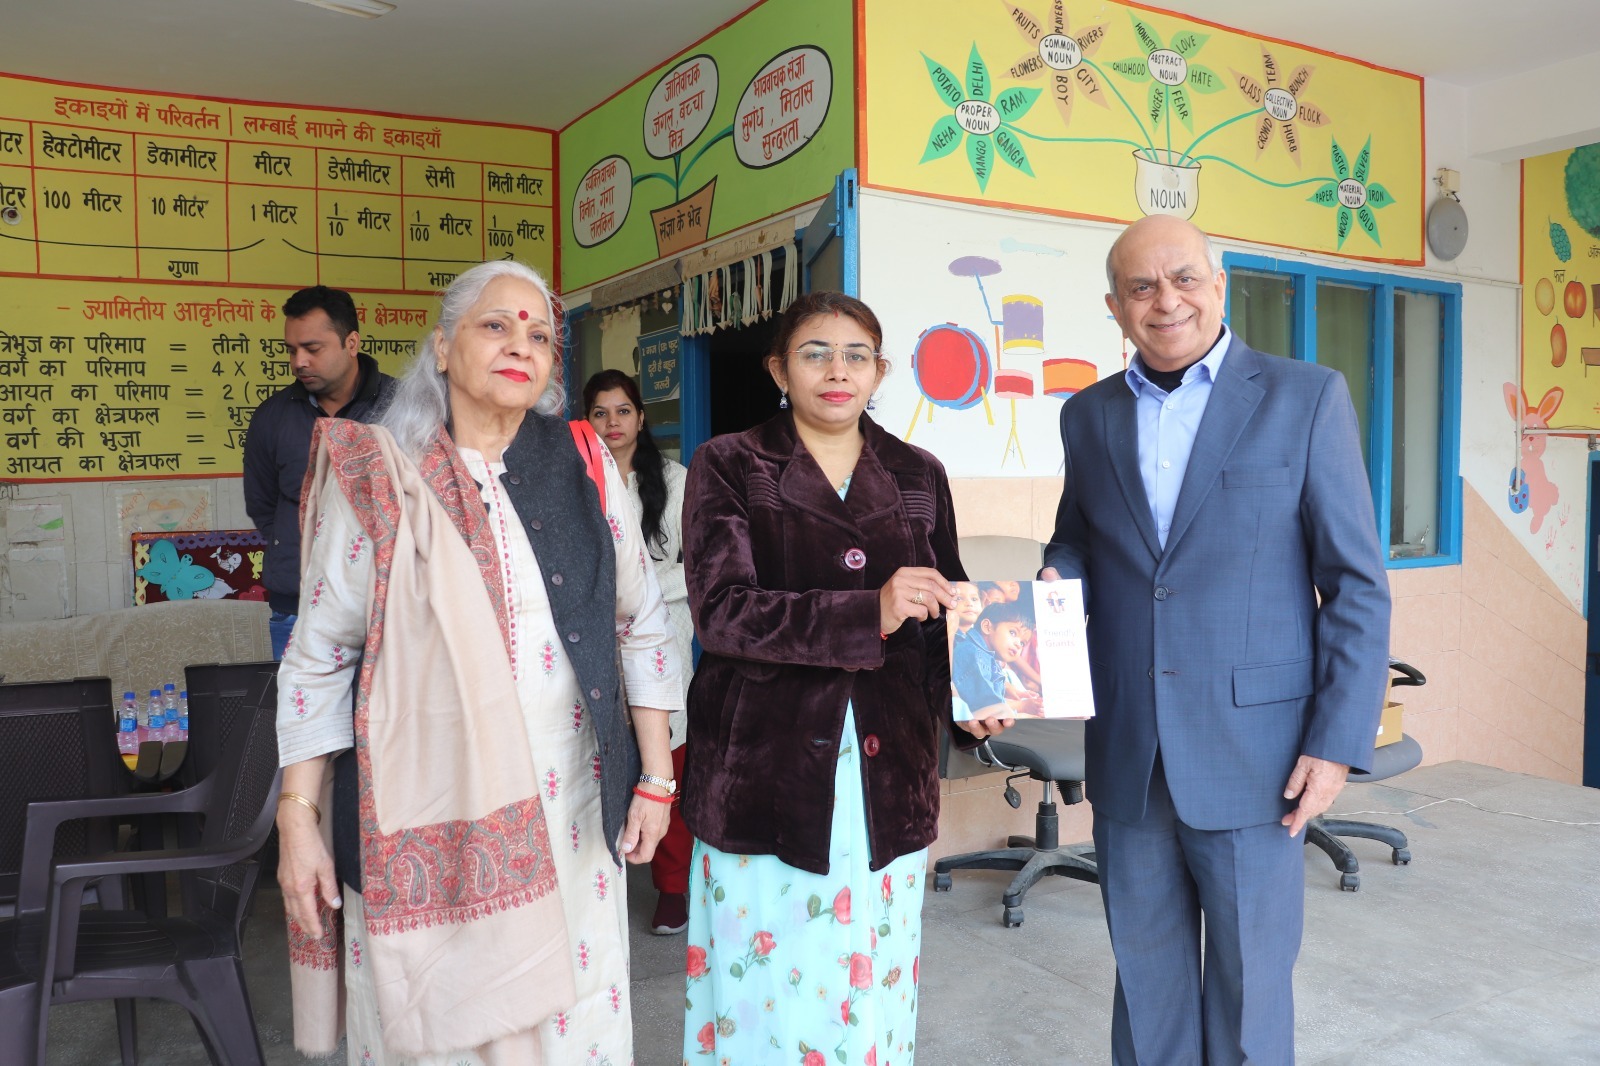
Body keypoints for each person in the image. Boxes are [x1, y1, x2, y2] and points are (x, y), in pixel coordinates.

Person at [274, 260, 684, 1065]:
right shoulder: (382, 476)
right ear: (442, 347)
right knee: (441, 1033)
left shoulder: (588, 466)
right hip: (420, 818)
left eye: (539, 334)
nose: (520, 344)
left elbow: (641, 627)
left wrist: (658, 779)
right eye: (495, 325)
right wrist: (299, 818)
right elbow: (320, 654)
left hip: (570, 809)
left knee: (569, 1023)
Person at [1042, 215, 1391, 1064]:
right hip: (1129, 747)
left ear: (1219, 284)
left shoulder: (1305, 397)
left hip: (1257, 754)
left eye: (1185, 278)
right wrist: (1054, 584)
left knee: (1249, 987)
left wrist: (1335, 743)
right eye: (1141, 287)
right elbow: (1077, 542)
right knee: (1147, 980)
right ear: (1115, 307)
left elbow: (1355, 585)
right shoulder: (1088, 417)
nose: (1167, 301)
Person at [679, 291, 999, 1063]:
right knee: (768, 982)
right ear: (777, 368)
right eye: (815, 352)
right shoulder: (730, 464)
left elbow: (947, 607)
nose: (837, 371)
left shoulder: (918, 473)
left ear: (880, 371)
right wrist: (869, 613)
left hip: (886, 769)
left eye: (856, 356)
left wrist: (974, 696)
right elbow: (723, 613)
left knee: (869, 976)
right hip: (765, 767)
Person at [582, 368, 695, 936]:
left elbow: (698, 571)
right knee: (602, 766)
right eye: (600, 413)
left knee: (663, 767)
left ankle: (673, 889)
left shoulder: (675, 481)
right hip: (593, 644)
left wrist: (643, 600)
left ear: (641, 417)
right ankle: (597, 890)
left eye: (623, 411)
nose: (613, 423)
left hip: (664, 638)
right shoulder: (576, 480)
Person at [243, 285, 395, 659]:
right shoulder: (271, 417)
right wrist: (298, 545)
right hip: (295, 608)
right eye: (292, 350)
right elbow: (262, 505)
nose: (299, 362)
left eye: (313, 349)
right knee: (301, 716)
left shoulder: (402, 410)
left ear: (352, 342)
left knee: (381, 719)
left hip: (386, 607)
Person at [951, 598, 1043, 720]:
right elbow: (988, 704)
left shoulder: (984, 656)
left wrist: (1017, 694)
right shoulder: (975, 655)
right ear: (987, 627)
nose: (1017, 644)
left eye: (1022, 643)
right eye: (1013, 633)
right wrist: (1022, 707)